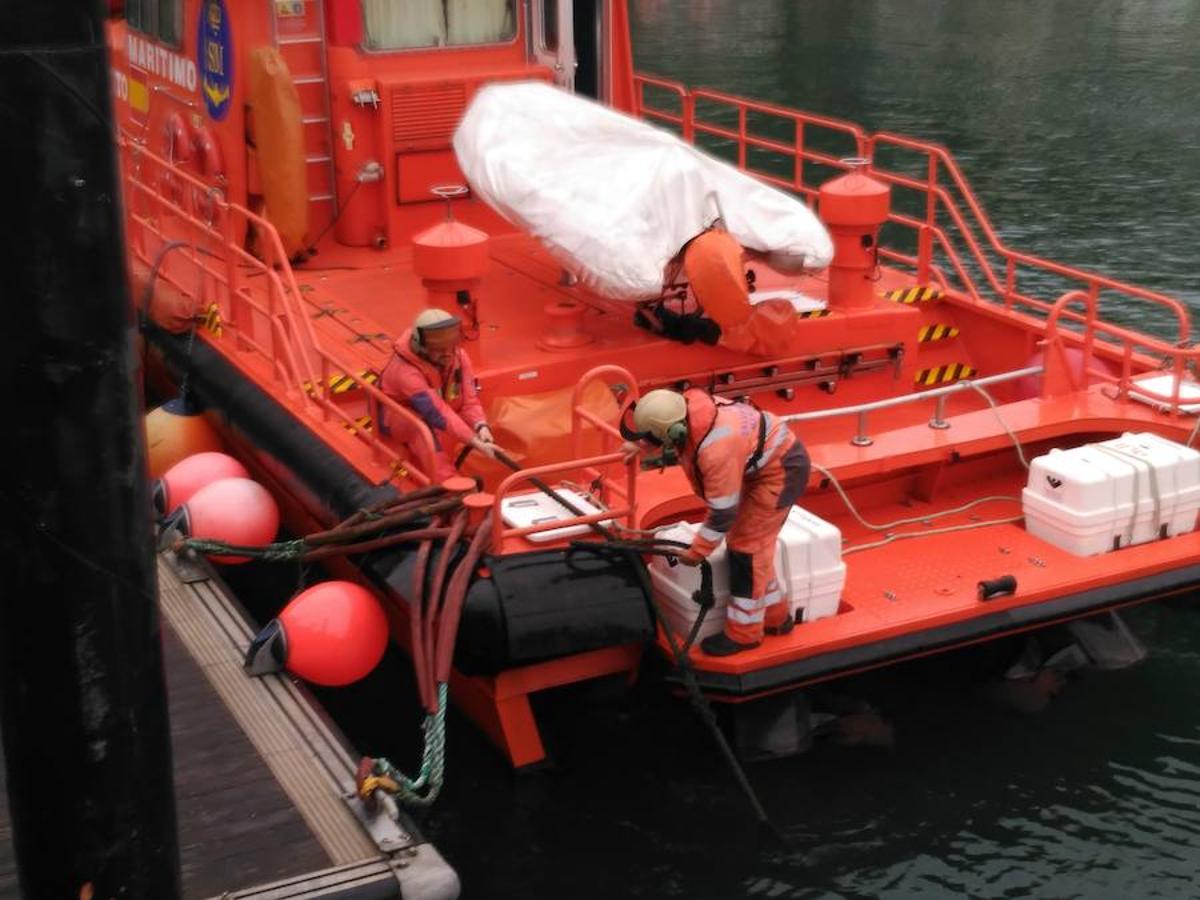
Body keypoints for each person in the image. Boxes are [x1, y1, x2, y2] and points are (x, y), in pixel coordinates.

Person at [621, 388, 810, 656]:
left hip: (782, 471)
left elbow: (722, 514)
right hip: (766, 465)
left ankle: (745, 634)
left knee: (747, 550)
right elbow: (664, 432)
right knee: (750, 545)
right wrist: (640, 447)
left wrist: (696, 552)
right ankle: (777, 617)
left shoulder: (716, 448)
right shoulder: (686, 413)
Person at [381, 308, 501, 480]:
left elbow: (469, 401)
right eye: (438, 349)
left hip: (441, 406)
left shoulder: (458, 356)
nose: (446, 354)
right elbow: (436, 412)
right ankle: (448, 482)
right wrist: (472, 440)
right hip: (398, 415)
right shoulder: (406, 373)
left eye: (450, 347)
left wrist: (480, 426)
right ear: (421, 348)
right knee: (422, 430)